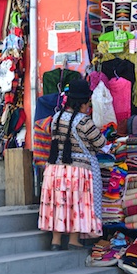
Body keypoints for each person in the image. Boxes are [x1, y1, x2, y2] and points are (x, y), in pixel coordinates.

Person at [38, 79, 107, 250]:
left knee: (58, 203)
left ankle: (55, 241)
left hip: (55, 169)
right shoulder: (84, 121)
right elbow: (100, 143)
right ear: (84, 102)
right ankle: (73, 240)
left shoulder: (56, 117)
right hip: (78, 170)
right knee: (76, 203)